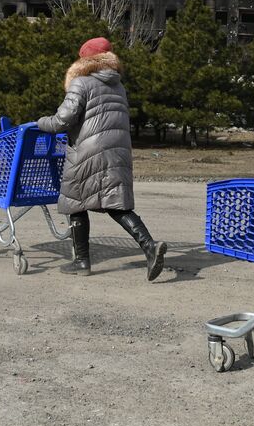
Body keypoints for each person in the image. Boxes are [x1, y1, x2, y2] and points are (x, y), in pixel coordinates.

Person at [37, 37, 167, 280]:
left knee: (76, 202)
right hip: (116, 151)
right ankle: (149, 245)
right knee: (115, 203)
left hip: (87, 151)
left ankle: (82, 262)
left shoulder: (82, 83)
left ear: (85, 60)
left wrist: (39, 122)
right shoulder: (119, 86)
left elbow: (62, 120)